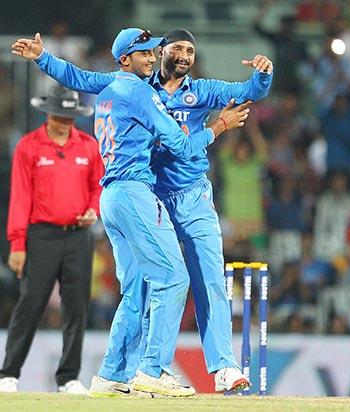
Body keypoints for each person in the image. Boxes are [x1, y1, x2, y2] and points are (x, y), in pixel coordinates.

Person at [11, 29, 273, 394]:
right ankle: (134, 370)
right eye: (174, 48)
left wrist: (262, 74)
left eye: (190, 50)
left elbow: (249, 92)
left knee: (208, 277)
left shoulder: (201, 90)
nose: (183, 55)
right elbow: (81, 78)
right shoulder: (139, 87)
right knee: (146, 286)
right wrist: (217, 127)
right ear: (158, 52)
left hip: (187, 195)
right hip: (147, 196)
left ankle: (222, 367)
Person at [0, 86, 103, 395]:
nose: (63, 123)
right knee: (30, 304)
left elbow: (99, 186)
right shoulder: (29, 147)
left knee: (77, 308)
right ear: (48, 114)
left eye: (69, 117)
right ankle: (8, 374)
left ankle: (69, 377)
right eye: (59, 116)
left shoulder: (88, 146)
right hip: (41, 235)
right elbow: (21, 197)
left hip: (78, 237)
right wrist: (17, 244)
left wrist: (92, 210)